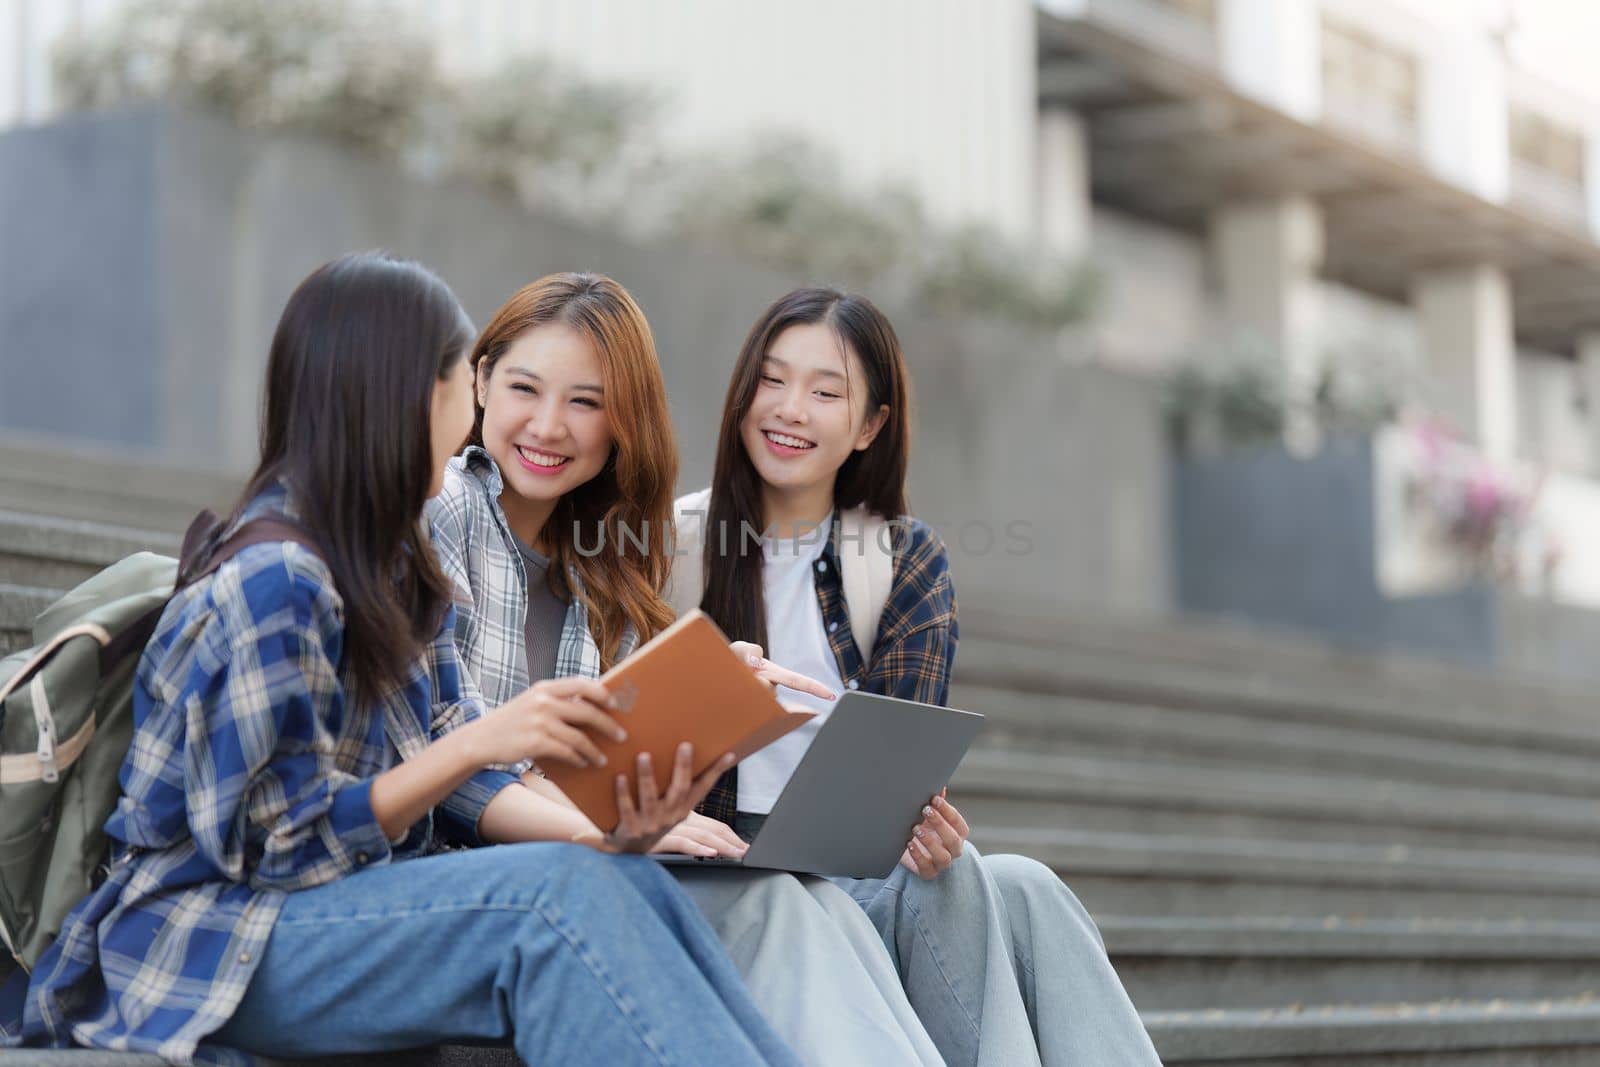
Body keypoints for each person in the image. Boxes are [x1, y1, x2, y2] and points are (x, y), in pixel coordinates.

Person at [13, 253, 799, 1067]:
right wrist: (479, 746)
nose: (477, 413)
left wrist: (611, 838)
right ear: (398, 397)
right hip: (211, 940)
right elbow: (277, 849)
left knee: (625, 886)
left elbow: (456, 773)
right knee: (550, 903)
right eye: (469, 380)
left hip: (332, 912)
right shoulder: (276, 577)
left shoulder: (398, 566)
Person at [426, 271, 944, 1065]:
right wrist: (614, 828)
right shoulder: (451, 510)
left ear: (621, 422)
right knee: (782, 907)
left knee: (898, 897)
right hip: (494, 876)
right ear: (480, 381)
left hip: (593, 858)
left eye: (586, 403)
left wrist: (696, 697)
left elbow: (582, 763)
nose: (549, 425)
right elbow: (462, 762)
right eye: (525, 388)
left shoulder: (604, 564)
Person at [671, 286, 1163, 1067]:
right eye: (772, 380)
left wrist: (918, 833)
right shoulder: (669, 546)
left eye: (825, 391)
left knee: (1017, 882)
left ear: (869, 426)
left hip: (841, 867)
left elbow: (890, 781)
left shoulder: (902, 559)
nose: (790, 407)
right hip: (712, 870)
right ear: (741, 394)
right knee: (962, 881)